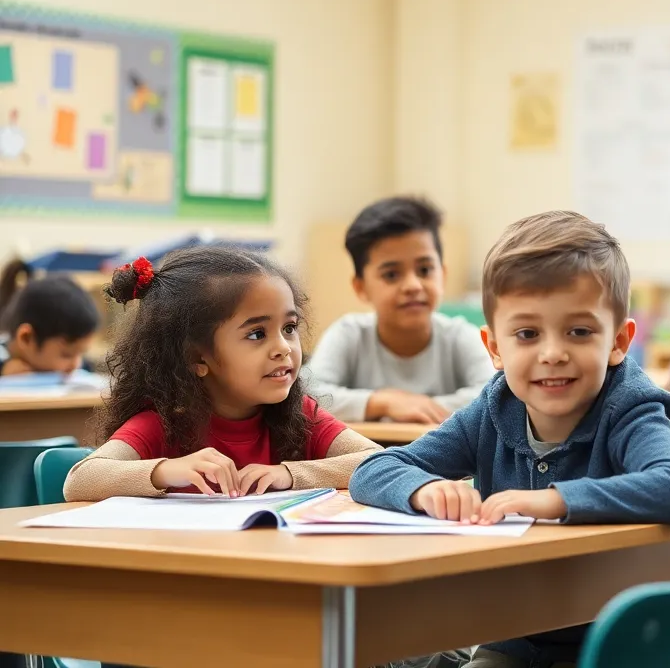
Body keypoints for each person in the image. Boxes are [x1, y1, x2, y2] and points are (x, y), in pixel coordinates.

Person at [351, 210, 670, 668]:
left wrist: (555, 501)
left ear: (618, 341)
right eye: (527, 334)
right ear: (495, 348)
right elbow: (372, 470)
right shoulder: (494, 411)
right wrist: (421, 488)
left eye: (579, 331)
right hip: (513, 636)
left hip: (618, 642)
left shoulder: (630, 409)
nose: (553, 353)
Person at [62, 247, 381, 500]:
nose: (283, 347)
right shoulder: (162, 424)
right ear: (196, 357)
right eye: (257, 334)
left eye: (289, 327)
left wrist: (291, 474)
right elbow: (79, 480)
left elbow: (378, 462)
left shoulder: (301, 416)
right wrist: (168, 471)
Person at [306, 196, 495, 423]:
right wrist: (383, 402)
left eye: (424, 270)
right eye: (392, 275)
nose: (413, 286)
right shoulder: (349, 334)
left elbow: (494, 394)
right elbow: (305, 394)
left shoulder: (460, 336)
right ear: (361, 287)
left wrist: (417, 407)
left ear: (442, 276)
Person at [0, 258, 100, 377]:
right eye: (66, 354)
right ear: (26, 338)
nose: (75, 365)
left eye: (81, 354)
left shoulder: (77, 366)